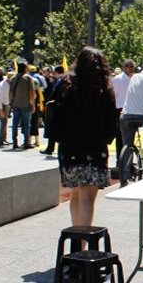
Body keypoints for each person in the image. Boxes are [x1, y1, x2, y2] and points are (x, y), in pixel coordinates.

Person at [48, 47, 120, 228]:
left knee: (75, 195)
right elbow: (112, 122)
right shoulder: (103, 88)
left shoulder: (64, 84)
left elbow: (54, 113)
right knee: (88, 198)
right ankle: (83, 239)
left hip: (70, 148)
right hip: (94, 148)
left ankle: (76, 238)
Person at [111, 59, 135, 166]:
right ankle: (119, 161)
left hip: (132, 109)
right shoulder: (117, 80)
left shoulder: (135, 79)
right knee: (120, 137)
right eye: (128, 66)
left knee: (131, 136)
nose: (130, 68)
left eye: (132, 66)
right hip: (119, 109)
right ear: (124, 67)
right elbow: (113, 96)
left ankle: (129, 160)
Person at [9, 61, 36, 149]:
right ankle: (26, 143)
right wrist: (33, 104)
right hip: (26, 104)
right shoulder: (28, 78)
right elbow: (31, 92)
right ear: (25, 68)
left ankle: (14, 142)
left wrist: (11, 102)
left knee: (15, 124)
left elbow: (11, 92)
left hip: (16, 104)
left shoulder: (13, 78)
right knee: (26, 124)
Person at [0, 69, 12, 147]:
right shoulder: (3, 85)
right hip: (0, 104)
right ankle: (0, 140)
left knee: (5, 122)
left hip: (5, 103)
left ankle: (4, 138)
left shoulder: (8, 84)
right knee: (3, 122)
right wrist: (0, 110)